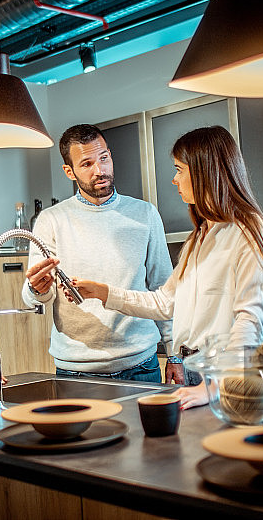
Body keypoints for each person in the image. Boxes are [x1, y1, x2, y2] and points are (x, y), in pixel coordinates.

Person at [67, 126, 263, 409]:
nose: (174, 179)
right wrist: (102, 292)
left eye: (179, 170)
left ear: (204, 171)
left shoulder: (249, 231)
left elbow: (250, 321)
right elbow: (165, 303)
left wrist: (212, 387)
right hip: (197, 375)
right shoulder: (200, 236)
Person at [23, 124, 176, 383]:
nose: (100, 170)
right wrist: (36, 288)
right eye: (87, 164)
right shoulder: (51, 220)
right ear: (69, 171)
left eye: (104, 158)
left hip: (140, 363)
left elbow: (164, 289)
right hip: (76, 369)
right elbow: (35, 299)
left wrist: (174, 354)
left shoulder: (145, 214)